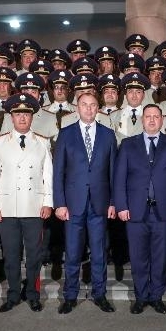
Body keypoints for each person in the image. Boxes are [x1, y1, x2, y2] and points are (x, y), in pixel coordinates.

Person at [113, 105, 166, 314]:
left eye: (156, 116)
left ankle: (156, 297)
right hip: (135, 210)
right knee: (138, 258)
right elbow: (119, 179)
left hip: (164, 211)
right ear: (142, 120)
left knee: (160, 257)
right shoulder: (128, 145)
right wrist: (121, 206)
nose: (152, 120)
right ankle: (141, 297)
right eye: (148, 117)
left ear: (162, 119)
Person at [0, 94, 54, 312]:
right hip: (8, 208)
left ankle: (33, 294)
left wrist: (48, 202)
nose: (22, 118)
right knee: (11, 256)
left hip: (34, 207)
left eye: (26, 114)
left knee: (34, 256)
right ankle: (13, 295)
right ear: (11, 117)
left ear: (32, 117)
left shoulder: (42, 142)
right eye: (18, 114)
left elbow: (48, 176)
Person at [53, 93, 118, 314]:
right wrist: (60, 203)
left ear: (98, 108)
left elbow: (113, 172)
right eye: (84, 105)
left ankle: (100, 294)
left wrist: (113, 202)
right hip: (73, 205)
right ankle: (70, 296)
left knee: (99, 253)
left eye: (92, 105)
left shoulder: (108, 134)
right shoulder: (66, 134)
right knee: (72, 253)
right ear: (77, 108)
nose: (89, 109)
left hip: (100, 204)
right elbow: (58, 172)